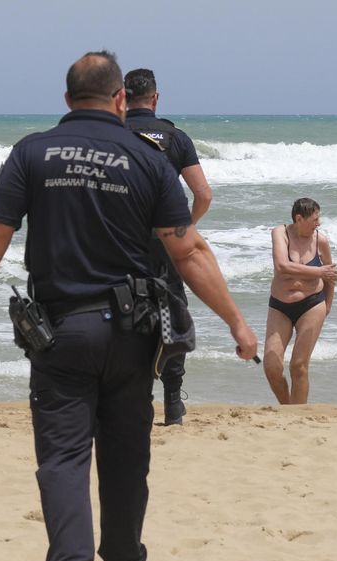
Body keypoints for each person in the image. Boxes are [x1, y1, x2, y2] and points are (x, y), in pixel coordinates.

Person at [0, 51, 257, 561]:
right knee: (125, 462)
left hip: (62, 333)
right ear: (121, 99)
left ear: (66, 100)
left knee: (63, 462)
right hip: (134, 335)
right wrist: (238, 322)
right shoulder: (148, 156)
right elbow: (189, 252)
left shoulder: (33, 152)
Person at [124, 67, 213, 426]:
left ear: (121, 98)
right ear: (156, 98)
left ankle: (136, 399)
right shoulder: (175, 137)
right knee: (172, 310)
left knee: (126, 315)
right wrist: (185, 228)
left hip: (121, 241)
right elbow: (203, 194)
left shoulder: (110, 135)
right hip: (165, 240)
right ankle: (173, 402)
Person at [263, 198, 337, 404]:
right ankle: (287, 406)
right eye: (315, 219)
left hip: (312, 304)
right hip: (280, 306)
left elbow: (330, 276)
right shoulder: (280, 233)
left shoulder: (321, 241)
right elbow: (282, 266)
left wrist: (327, 306)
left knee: (298, 365)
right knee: (271, 366)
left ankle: (296, 415)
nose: (319, 223)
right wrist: (318, 271)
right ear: (299, 219)